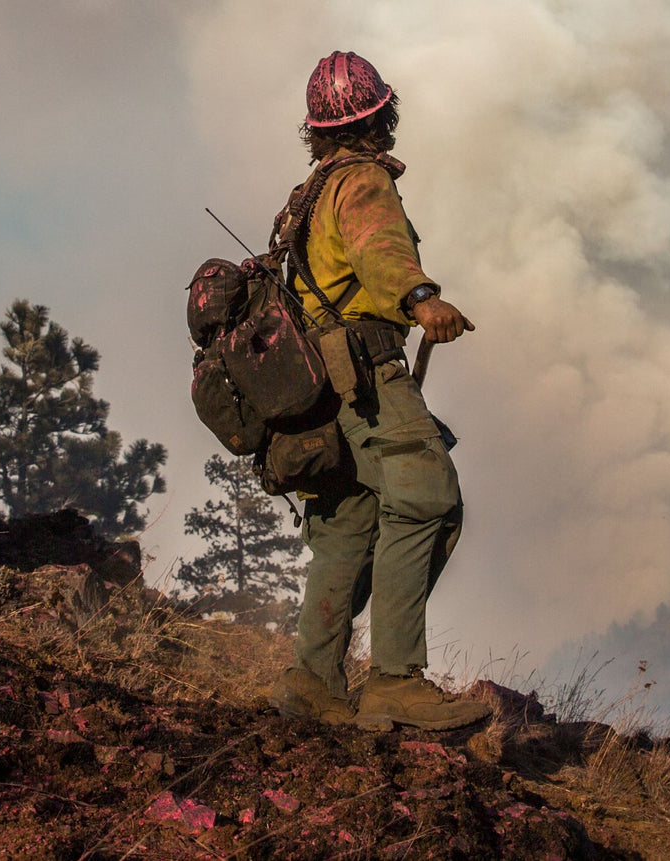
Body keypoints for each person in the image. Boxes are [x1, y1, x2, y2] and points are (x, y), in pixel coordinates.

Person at [268, 51, 491, 732]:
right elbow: (377, 249)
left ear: (317, 129)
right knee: (426, 498)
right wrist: (421, 299)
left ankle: (313, 682)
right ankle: (395, 681)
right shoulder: (361, 180)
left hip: (317, 393)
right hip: (365, 376)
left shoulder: (306, 195)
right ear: (382, 114)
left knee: (349, 525)